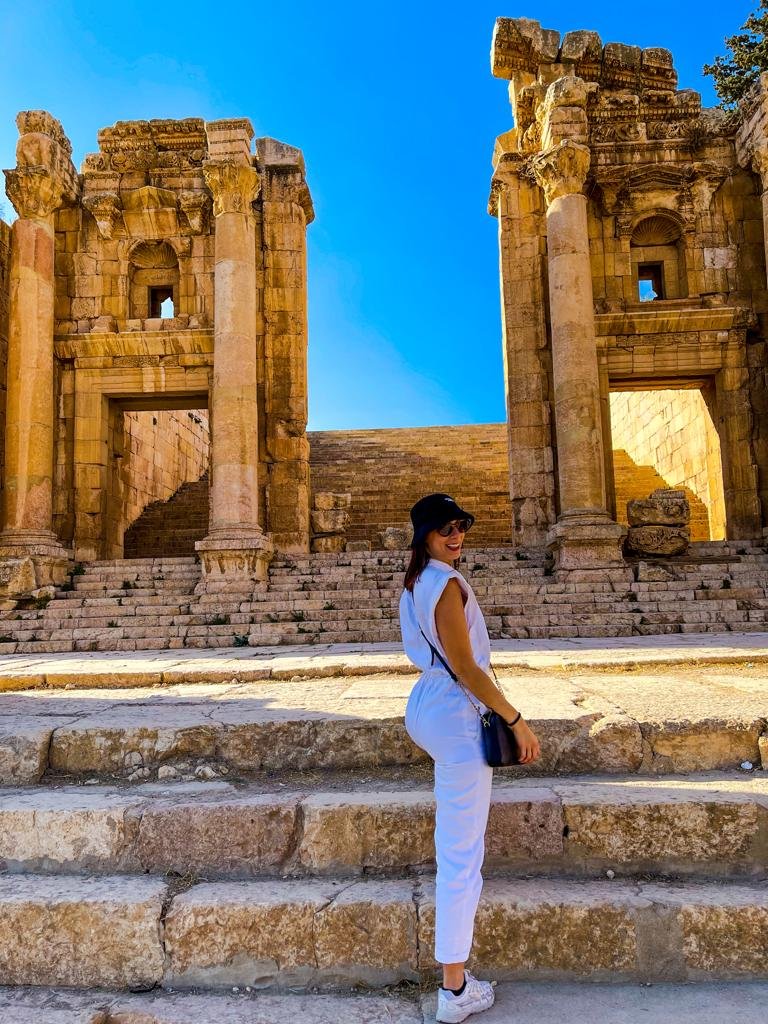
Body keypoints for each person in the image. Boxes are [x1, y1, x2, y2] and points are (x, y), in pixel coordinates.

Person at [399, 493, 541, 1024]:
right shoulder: (448, 585)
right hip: (458, 715)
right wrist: (514, 717)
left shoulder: (416, 581)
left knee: (457, 842)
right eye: (444, 530)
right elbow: (467, 669)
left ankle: (456, 978)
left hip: (428, 707)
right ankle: (454, 989)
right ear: (425, 537)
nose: (455, 536)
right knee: (460, 856)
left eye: (460, 527)